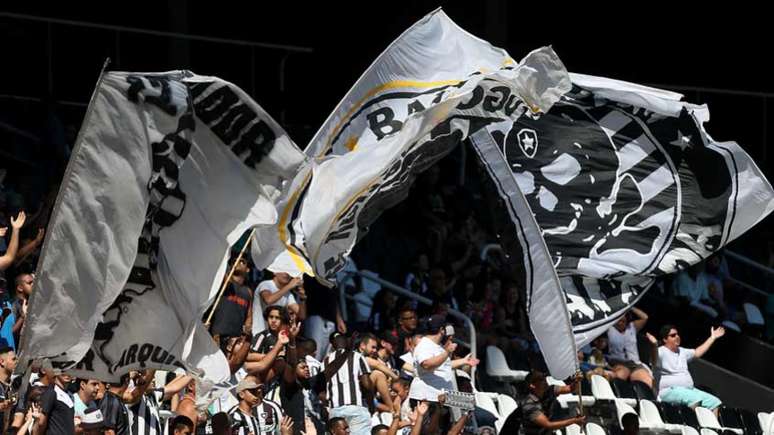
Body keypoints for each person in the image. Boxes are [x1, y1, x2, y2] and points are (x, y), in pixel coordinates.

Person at [655, 325, 725, 411]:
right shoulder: (660, 352)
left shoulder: (682, 351)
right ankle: (690, 423)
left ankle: (711, 425)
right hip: (669, 391)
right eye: (673, 335)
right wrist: (653, 345)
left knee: (715, 402)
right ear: (665, 339)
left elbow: (697, 352)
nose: (677, 337)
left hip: (689, 390)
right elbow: (653, 357)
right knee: (695, 399)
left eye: (677, 334)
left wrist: (712, 337)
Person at [323, 335, 373, 435]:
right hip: (355, 407)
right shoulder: (357, 356)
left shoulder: (326, 361)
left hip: (335, 409)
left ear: (333, 346)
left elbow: (321, 389)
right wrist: (371, 405)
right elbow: (367, 384)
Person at [518, 371, 585, 435]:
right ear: (532, 385)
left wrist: (576, 381)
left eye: (545, 377)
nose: (545, 381)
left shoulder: (549, 390)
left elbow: (571, 389)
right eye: (541, 379)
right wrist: (574, 421)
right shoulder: (528, 404)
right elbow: (548, 425)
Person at [209, 257, 254, 349]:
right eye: (235, 261)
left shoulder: (248, 291)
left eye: (242, 262)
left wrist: (246, 330)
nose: (237, 262)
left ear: (248, 269)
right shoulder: (225, 282)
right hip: (217, 334)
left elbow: (249, 315)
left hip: (235, 338)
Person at [606, 307, 655, 388]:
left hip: (634, 364)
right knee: (620, 377)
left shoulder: (632, 327)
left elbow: (645, 317)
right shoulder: (609, 329)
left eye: (623, 321)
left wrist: (630, 306)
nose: (620, 323)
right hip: (619, 362)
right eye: (618, 321)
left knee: (648, 382)